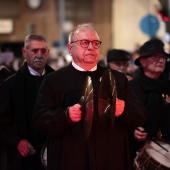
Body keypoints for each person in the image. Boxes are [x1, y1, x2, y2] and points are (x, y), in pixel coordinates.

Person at [33, 23, 147, 170]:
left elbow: (141, 115)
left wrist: (124, 110)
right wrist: (65, 115)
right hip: (72, 157)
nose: (91, 47)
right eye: (84, 43)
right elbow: (40, 120)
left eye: (95, 43)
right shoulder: (54, 81)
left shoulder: (118, 79)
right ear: (70, 48)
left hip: (110, 157)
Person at [0, 34, 54, 170]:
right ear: (25, 52)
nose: (39, 55)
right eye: (34, 51)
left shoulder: (57, 81)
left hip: (53, 155)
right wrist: (17, 141)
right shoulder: (11, 85)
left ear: (48, 53)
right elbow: (2, 122)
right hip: (22, 159)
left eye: (43, 51)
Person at [129, 38, 170, 167]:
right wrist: (132, 131)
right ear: (143, 61)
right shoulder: (131, 88)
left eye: (163, 57)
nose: (161, 60)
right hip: (139, 151)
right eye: (155, 56)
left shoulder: (167, 86)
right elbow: (119, 119)